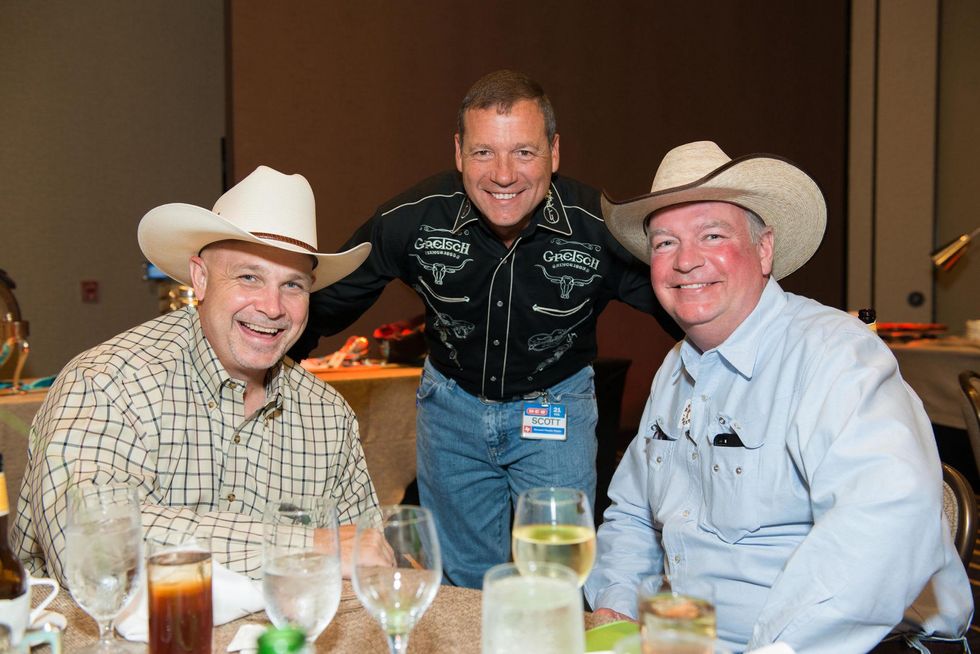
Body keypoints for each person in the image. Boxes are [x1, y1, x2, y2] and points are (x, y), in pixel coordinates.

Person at [288, 70, 678, 588]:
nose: (503, 174)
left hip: (555, 409)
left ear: (554, 153)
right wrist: (260, 373)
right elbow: (322, 305)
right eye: (483, 153)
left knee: (559, 578)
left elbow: (685, 307)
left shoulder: (599, 230)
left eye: (523, 152)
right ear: (458, 152)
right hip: (451, 412)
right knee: (467, 582)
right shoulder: (412, 220)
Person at [584, 141, 973, 652]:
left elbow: (883, 528)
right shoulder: (675, 368)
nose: (686, 262)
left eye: (713, 235)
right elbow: (634, 514)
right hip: (688, 638)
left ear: (764, 248)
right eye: (664, 244)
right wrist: (615, 606)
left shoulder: (837, 358)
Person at [12, 165, 388, 585]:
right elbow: (90, 548)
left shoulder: (328, 415)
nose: (272, 307)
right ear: (200, 278)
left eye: (293, 285)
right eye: (249, 276)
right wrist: (306, 545)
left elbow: (367, 561)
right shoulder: (107, 381)